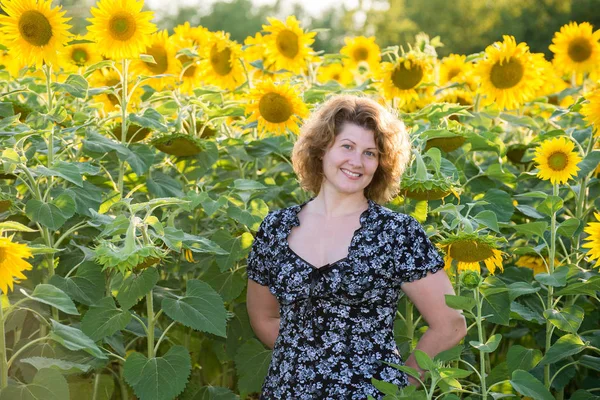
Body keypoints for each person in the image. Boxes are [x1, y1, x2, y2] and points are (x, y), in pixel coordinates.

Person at [246, 94, 467, 399]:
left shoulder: (396, 233)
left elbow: (451, 324)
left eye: (370, 153)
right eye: (347, 146)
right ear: (322, 149)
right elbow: (264, 317)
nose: (357, 162)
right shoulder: (275, 229)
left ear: (381, 163)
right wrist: (308, 361)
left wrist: (400, 389)